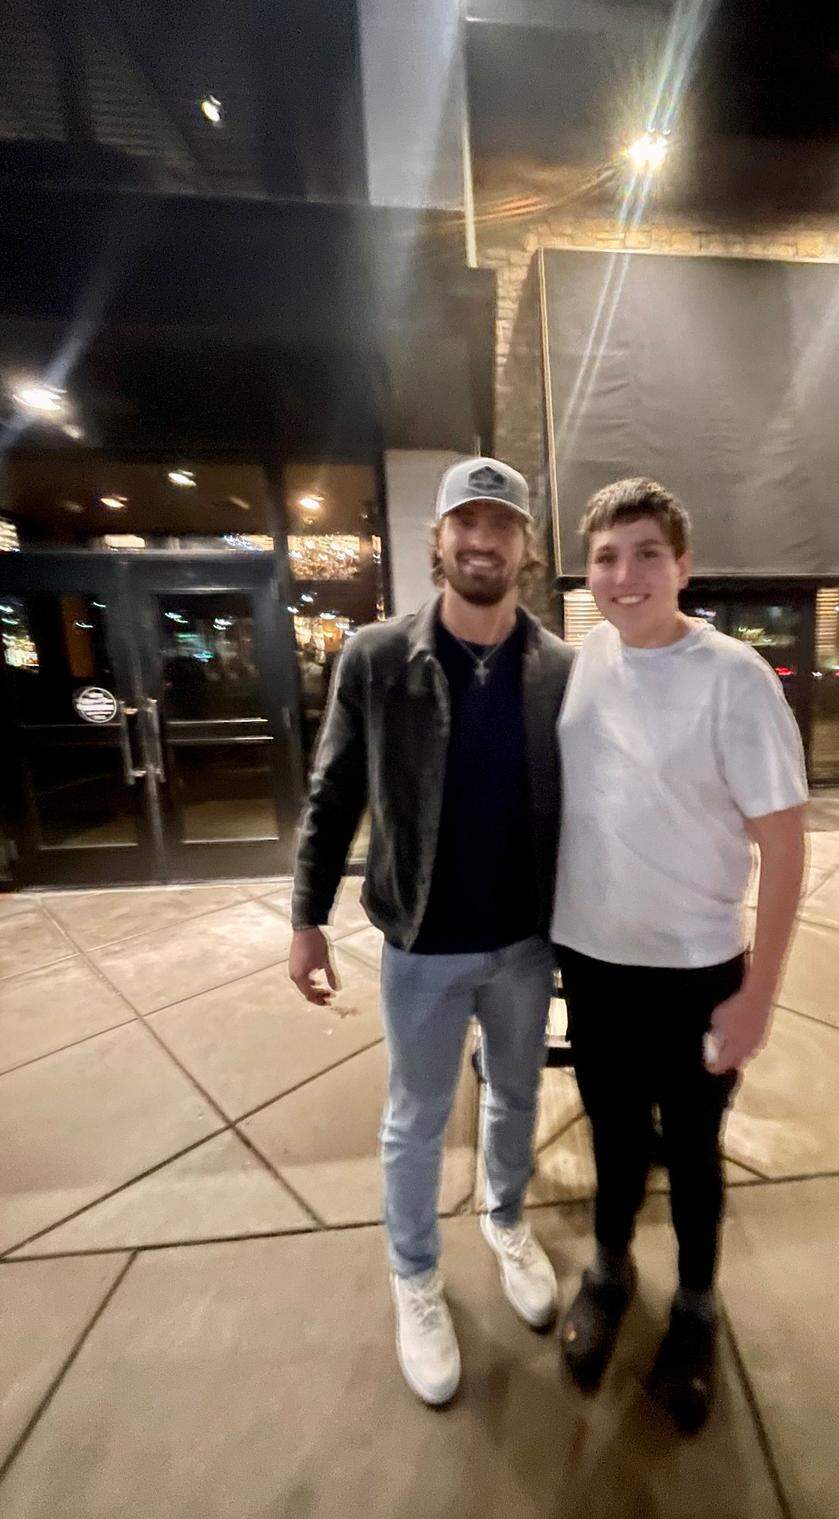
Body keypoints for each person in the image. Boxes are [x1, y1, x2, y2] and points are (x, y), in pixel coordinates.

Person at [289, 456, 574, 1407]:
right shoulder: (377, 657)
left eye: (501, 525)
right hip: (421, 942)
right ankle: (415, 1277)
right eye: (467, 522)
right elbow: (332, 797)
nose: (482, 539)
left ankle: (505, 1220)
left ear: (526, 548)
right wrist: (307, 919)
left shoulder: (561, 669)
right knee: (414, 1120)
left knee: (517, 1096)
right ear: (440, 539)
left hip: (527, 945)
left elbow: (594, 805)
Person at [552, 477, 807, 1433]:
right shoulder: (582, 667)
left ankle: (695, 1307)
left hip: (699, 969)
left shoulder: (733, 676)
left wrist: (760, 996)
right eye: (609, 557)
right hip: (596, 965)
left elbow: (785, 844)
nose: (626, 575)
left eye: (647, 553)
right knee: (613, 1136)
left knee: (693, 1151)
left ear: (683, 565)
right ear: (590, 571)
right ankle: (611, 1269)